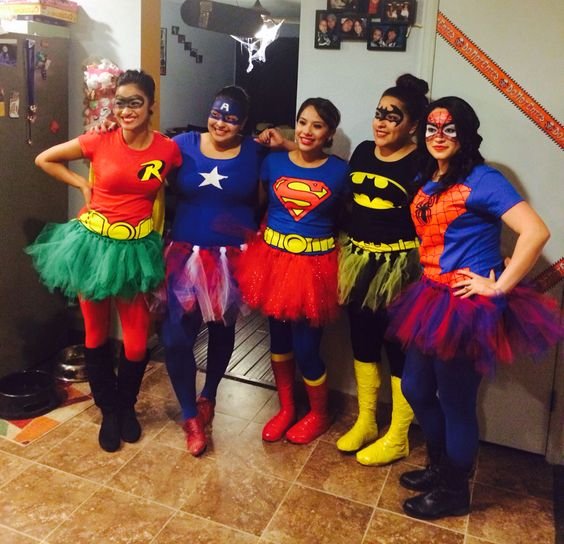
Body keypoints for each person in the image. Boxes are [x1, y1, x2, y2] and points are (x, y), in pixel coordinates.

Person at [387, 97, 563, 519]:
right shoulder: (430, 174)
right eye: (431, 128)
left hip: (464, 306)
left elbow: (535, 232)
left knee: (456, 401)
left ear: (465, 133)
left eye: (449, 129)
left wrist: (499, 286)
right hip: (430, 295)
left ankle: (454, 491)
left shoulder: (484, 179)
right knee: (414, 387)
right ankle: (439, 466)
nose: (439, 136)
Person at [27, 70, 182, 452]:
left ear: (150, 106)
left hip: (137, 250)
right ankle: (109, 410)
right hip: (93, 246)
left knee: (135, 341)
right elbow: (44, 158)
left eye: (135, 102)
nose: (126, 110)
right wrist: (82, 183)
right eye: (121, 102)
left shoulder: (168, 149)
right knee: (95, 335)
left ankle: (126, 405)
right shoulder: (99, 139)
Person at [160, 86, 293, 456]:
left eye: (231, 119)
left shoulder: (256, 151)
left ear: (244, 124)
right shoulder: (182, 144)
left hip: (232, 258)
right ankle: (190, 416)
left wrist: (282, 142)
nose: (221, 123)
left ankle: (209, 396)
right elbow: (143, 154)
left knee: (222, 329)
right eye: (216, 114)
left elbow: (304, 158)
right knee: (175, 337)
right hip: (185, 256)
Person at [237, 98, 350, 445]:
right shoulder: (272, 162)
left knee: (307, 348)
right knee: (278, 341)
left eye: (317, 125)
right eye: (302, 122)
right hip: (273, 262)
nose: (307, 131)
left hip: (315, 268)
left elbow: (347, 219)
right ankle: (286, 408)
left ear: (329, 133)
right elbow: (256, 205)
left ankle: (319, 413)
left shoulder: (341, 171)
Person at [336, 74, 428, 465]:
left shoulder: (423, 161)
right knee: (362, 341)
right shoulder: (362, 152)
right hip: (358, 261)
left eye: (393, 117)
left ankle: (399, 435)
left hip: (401, 269)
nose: (382, 123)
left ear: (413, 125)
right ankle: (367, 421)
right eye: (379, 114)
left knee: (398, 349)